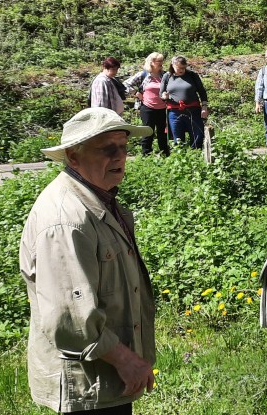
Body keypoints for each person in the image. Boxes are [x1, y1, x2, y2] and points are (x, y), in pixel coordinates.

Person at [20, 108, 156, 414]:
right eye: (108, 149)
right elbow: (68, 317)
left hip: (103, 379)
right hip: (85, 384)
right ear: (73, 156)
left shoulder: (96, 199)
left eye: (123, 147)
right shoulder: (66, 220)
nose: (120, 157)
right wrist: (125, 359)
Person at [124, 52, 169, 156]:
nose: (162, 63)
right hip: (147, 107)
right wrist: (135, 93)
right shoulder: (143, 75)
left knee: (163, 133)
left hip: (163, 108)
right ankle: (146, 154)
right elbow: (125, 84)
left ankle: (165, 154)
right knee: (148, 131)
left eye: (162, 61)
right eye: (159, 61)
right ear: (152, 62)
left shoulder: (165, 75)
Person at [160, 55, 210, 148]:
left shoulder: (192, 75)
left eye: (184, 67)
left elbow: (202, 92)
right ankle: (180, 156)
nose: (182, 70)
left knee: (197, 135)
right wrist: (164, 96)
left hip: (193, 110)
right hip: (174, 112)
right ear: (172, 65)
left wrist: (204, 107)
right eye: (179, 67)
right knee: (177, 137)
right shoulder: (167, 76)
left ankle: (196, 155)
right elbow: (161, 93)